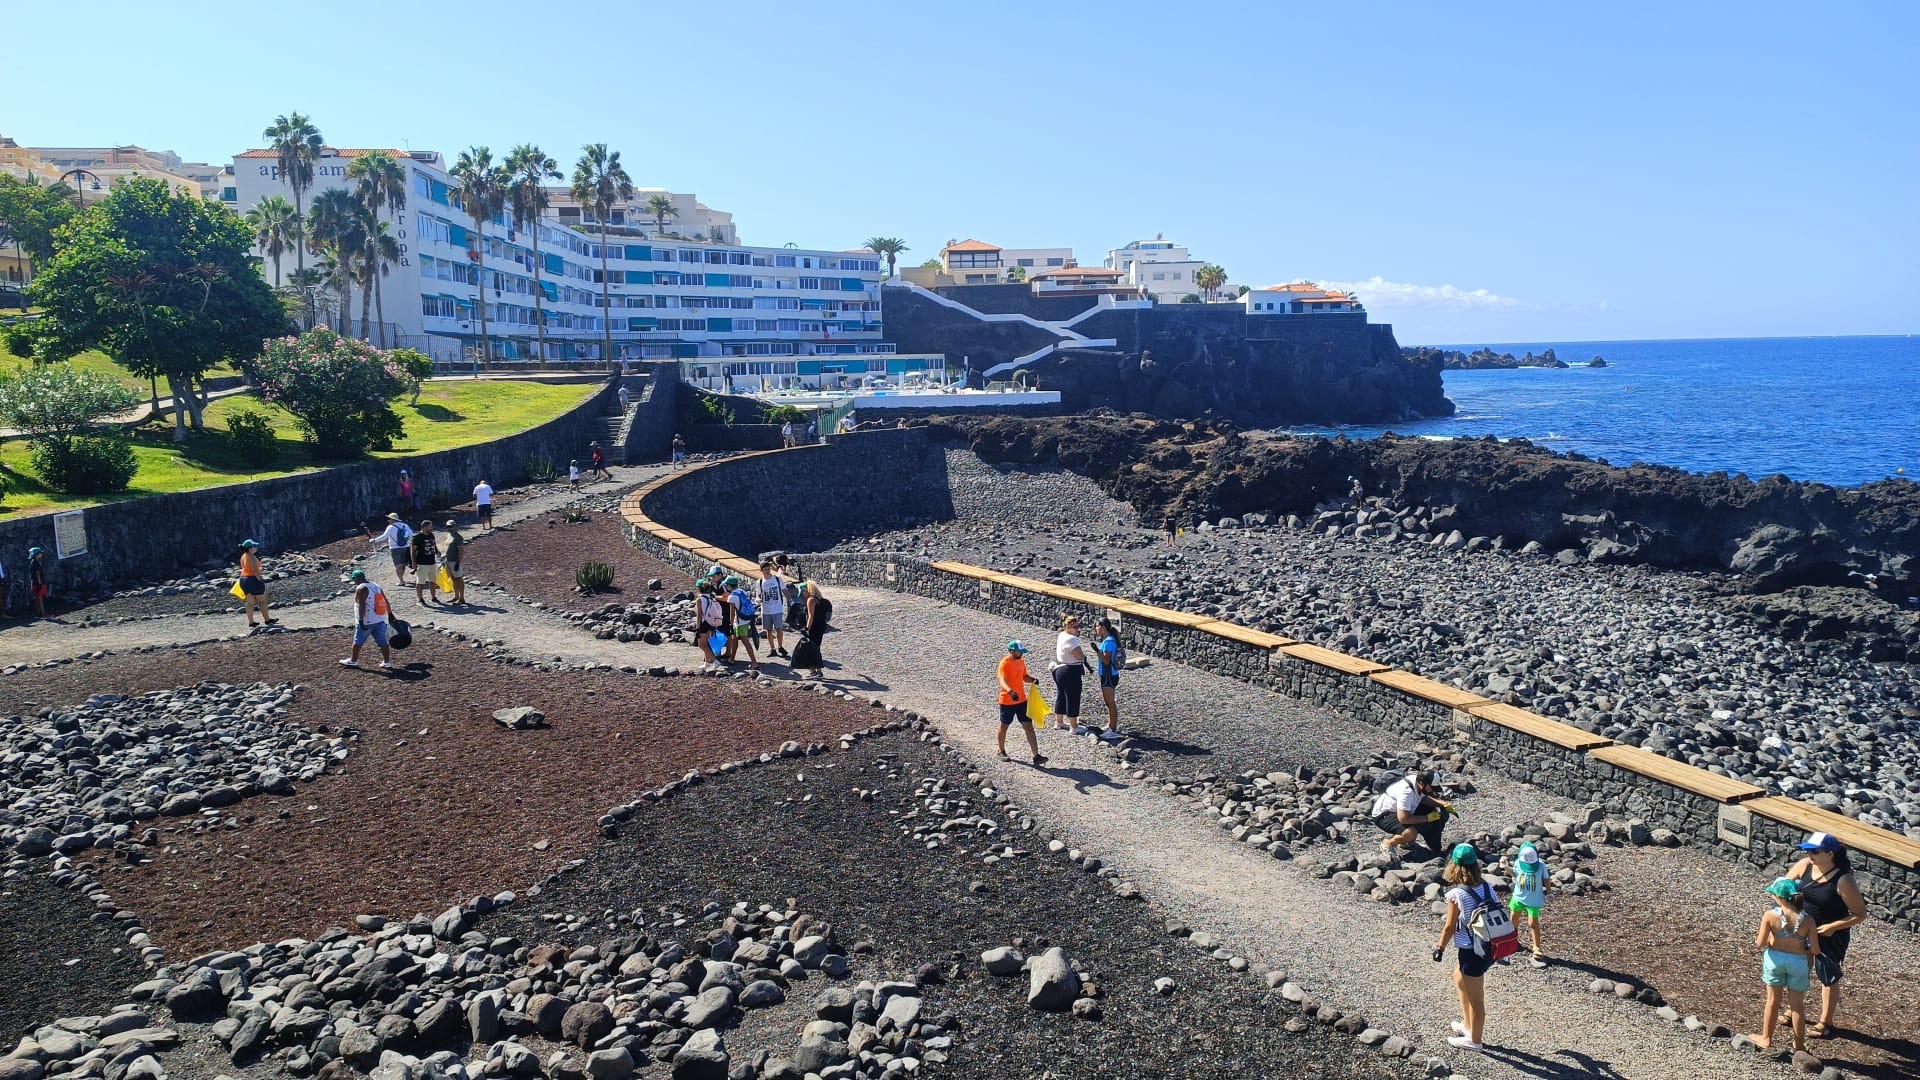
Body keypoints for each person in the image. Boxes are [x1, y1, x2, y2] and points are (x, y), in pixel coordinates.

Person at [1787, 832, 1869, 1038]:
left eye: (1814, 851)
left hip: (1829, 934)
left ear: (1830, 854)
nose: (1809, 854)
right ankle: (1794, 1010)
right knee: (1799, 969)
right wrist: (1794, 912)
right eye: (1807, 850)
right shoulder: (1805, 865)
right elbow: (1786, 886)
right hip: (1804, 927)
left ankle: (1826, 1021)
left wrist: (1833, 926)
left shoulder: (1843, 880)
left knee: (1827, 976)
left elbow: (1860, 914)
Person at [1435, 843, 1497, 1051]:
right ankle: (1468, 1025)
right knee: (1458, 977)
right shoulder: (1488, 886)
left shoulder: (1456, 894)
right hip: (1489, 946)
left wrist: (1440, 948)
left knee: (1477, 1000)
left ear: (1454, 865)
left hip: (1472, 950)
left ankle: (1475, 1041)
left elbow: (1449, 926)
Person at [1750, 877, 1820, 1052]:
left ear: (1779, 897)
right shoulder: (1808, 920)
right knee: (1797, 1005)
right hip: (1798, 962)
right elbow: (1816, 949)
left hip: (1775, 960)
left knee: (1773, 1001)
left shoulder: (1770, 915)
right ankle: (1799, 1046)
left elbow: (1760, 943)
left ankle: (1766, 1038)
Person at [1371, 770, 1452, 855]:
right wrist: (1427, 818)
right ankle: (1388, 844)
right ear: (1421, 783)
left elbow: (1423, 798)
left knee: (1431, 812)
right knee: (1411, 833)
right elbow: (1403, 819)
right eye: (1431, 788)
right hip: (1383, 814)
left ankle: (1405, 842)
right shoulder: (1406, 792)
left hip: (1400, 811)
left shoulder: (1418, 782)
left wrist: (1443, 804)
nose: (1432, 791)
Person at [996, 640, 1047, 766]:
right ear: (1012, 651)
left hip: (1021, 700)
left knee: (1028, 726)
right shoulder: (1005, 663)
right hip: (1007, 701)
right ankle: (1001, 750)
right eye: (1020, 651)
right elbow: (1001, 680)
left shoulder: (1021, 662)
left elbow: (1024, 676)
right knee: (1004, 726)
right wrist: (1010, 691)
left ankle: (1036, 755)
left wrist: (1032, 680)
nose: (1021, 654)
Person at [340, 569, 393, 670]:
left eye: (354, 580)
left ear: (357, 579)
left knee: (358, 641)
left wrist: (361, 620)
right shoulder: (376, 586)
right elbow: (385, 600)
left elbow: (362, 606)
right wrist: (390, 614)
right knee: (382, 641)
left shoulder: (361, 588)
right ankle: (387, 662)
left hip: (367, 620)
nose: (354, 582)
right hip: (380, 619)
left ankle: (353, 660)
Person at [1509, 842, 1552, 960]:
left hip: (1534, 899)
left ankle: (1536, 947)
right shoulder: (1518, 863)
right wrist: (1506, 867)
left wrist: (1549, 892)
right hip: (1518, 896)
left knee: (1533, 923)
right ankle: (1513, 941)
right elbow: (1515, 875)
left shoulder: (1541, 866)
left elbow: (1546, 879)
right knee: (1513, 918)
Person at [1052, 614, 1091, 734]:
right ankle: (1074, 726)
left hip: (1059, 669)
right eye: (1075, 627)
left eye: (1078, 626)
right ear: (1068, 627)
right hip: (1070, 671)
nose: (1077, 629)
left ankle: (1059, 722)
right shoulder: (1071, 639)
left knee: (1061, 695)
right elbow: (1079, 655)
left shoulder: (1061, 635)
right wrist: (1084, 657)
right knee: (1072, 697)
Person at [790, 581, 833, 679]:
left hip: (813, 627)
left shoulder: (810, 600)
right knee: (815, 648)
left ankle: (817, 672)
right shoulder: (821, 600)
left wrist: (806, 629)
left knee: (812, 649)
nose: (802, 595)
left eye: (803, 592)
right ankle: (815, 671)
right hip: (821, 626)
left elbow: (811, 616)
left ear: (806, 590)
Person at [1093, 615, 1124, 741]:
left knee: (1110, 703)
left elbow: (1106, 661)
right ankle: (1110, 725)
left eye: (1097, 626)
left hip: (1108, 675)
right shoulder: (1111, 639)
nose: (1095, 628)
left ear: (1103, 627)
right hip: (1110, 675)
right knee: (1109, 702)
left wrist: (1097, 650)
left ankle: (1112, 729)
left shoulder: (1108, 642)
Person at [723, 575, 760, 672]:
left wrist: (730, 624)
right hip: (746, 618)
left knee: (745, 641)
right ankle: (732, 659)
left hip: (739, 621)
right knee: (734, 638)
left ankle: (754, 662)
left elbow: (732, 612)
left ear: (729, 586)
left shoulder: (731, 597)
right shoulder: (742, 591)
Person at [238, 539, 275, 627]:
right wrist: (260, 580)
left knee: (250, 602)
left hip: (243, 579)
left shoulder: (244, 556)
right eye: (254, 546)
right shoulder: (252, 557)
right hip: (252, 579)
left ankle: (251, 622)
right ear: (250, 548)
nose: (256, 548)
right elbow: (255, 570)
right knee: (262, 601)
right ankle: (267, 620)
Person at [757, 561, 790, 658]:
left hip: (777, 608)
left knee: (779, 628)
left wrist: (791, 600)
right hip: (766, 609)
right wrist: (758, 599)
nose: (767, 571)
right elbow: (759, 594)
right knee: (769, 630)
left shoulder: (777, 579)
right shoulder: (759, 582)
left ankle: (780, 646)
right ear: (761, 571)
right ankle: (772, 649)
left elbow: (784, 590)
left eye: (768, 569)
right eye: (765, 569)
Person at [369, 513, 413, 583]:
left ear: (393, 520)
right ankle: (406, 578)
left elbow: (384, 537)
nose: (388, 520)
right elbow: (411, 535)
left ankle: (401, 580)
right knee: (404, 564)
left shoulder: (390, 527)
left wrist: (374, 540)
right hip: (406, 547)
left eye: (389, 519)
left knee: (398, 565)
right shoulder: (405, 525)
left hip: (395, 549)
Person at [695, 581, 728, 674]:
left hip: (704, 623)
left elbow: (699, 616)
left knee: (702, 645)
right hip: (711, 622)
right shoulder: (711, 597)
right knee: (706, 643)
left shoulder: (699, 600)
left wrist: (697, 627)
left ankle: (715, 661)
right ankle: (706, 663)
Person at [441, 521, 467, 605]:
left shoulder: (458, 537)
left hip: (455, 561)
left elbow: (461, 550)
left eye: (451, 526)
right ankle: (456, 596)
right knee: (453, 579)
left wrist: (458, 562)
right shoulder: (449, 536)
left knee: (459, 578)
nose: (449, 528)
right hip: (448, 560)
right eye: (448, 527)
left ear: (455, 526)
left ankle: (462, 597)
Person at [26, 546, 49, 619]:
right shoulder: (37, 564)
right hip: (38, 583)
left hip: (34, 583)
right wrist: (40, 584)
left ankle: (38, 613)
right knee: (40, 599)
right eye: (40, 553)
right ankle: (43, 614)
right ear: (36, 555)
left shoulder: (32, 563)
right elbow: (38, 574)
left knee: (36, 598)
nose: (41, 554)